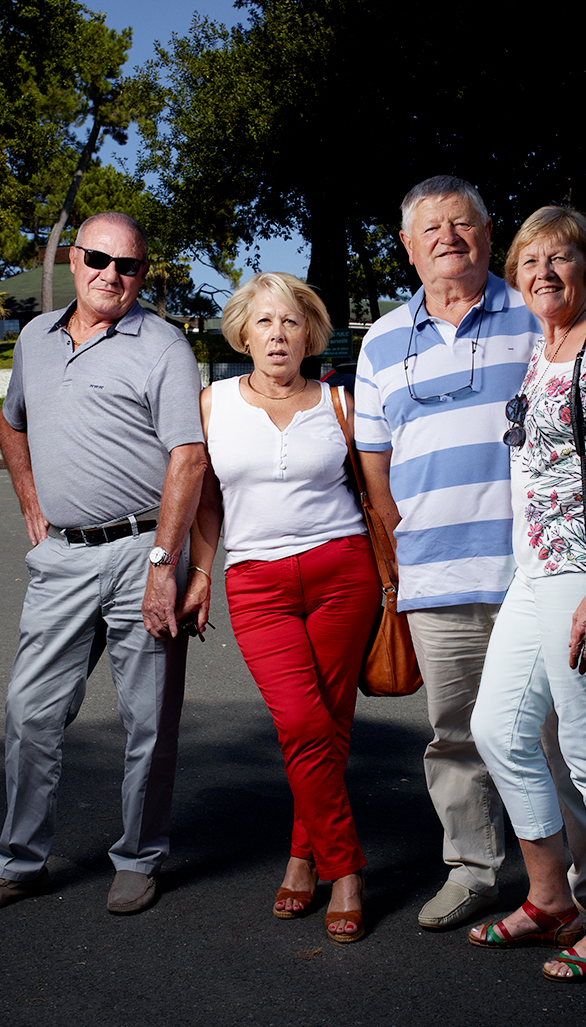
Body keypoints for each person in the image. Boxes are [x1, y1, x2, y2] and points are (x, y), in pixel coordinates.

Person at [354, 176, 586, 931]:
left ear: (490, 235)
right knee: (455, 735)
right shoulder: (382, 339)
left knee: (560, 733)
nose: (448, 238)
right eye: (431, 229)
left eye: (463, 225)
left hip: (539, 572)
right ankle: (472, 869)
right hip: (436, 577)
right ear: (407, 246)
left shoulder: (536, 314)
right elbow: (374, 461)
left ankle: (577, 886)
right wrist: (405, 547)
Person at [0, 212, 206, 917]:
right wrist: (31, 501)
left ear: (142, 275)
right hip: (62, 557)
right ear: (73, 259)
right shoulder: (34, 338)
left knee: (147, 720)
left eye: (128, 266)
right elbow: (12, 421)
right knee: (30, 711)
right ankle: (18, 861)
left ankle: (139, 856)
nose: (111, 275)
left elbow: (188, 456)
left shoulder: (163, 345)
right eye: (99, 259)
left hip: (140, 552)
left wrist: (165, 561)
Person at [468, 205, 586, 981]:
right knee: (498, 730)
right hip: (538, 569)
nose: (544, 273)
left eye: (561, 259)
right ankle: (551, 901)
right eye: (529, 262)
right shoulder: (543, 352)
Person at [179, 273, 379, 943]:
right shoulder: (212, 404)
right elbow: (206, 500)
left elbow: (375, 495)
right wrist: (201, 571)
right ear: (243, 332)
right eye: (264, 322)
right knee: (300, 720)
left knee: (329, 725)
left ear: (310, 334)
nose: (277, 335)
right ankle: (345, 868)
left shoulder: (341, 404)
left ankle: (304, 858)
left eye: (291, 323)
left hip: (342, 574)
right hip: (257, 585)